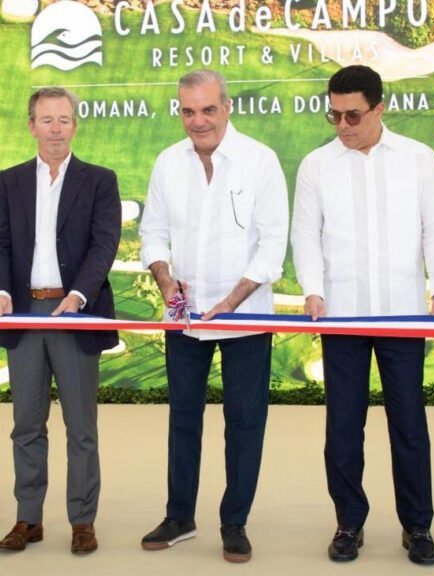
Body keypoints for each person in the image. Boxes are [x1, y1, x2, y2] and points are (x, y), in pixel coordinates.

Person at [290, 64, 434, 565]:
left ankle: (418, 527)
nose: (342, 125)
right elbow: (306, 234)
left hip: (403, 315)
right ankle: (348, 523)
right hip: (341, 316)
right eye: (334, 115)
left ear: (380, 108)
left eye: (353, 115)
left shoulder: (418, 159)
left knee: (409, 425)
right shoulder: (316, 166)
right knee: (343, 428)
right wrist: (313, 290)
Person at [138, 69, 288, 563]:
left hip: (245, 318)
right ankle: (179, 516)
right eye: (188, 111)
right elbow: (153, 234)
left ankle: (234, 522)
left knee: (244, 422)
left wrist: (233, 300)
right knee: (183, 418)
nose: (197, 121)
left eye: (207, 109)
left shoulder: (260, 161)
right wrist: (165, 281)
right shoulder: (168, 162)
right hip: (185, 318)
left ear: (227, 107)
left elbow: (273, 246)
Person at [0, 87, 121, 554]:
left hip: (75, 314)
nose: (56, 129)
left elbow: (104, 244)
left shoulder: (99, 181)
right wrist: (1, 292)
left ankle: (82, 520)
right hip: (24, 314)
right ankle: (28, 519)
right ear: (31, 126)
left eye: (64, 119)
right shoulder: (10, 181)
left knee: (81, 426)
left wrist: (80, 295)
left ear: (75, 126)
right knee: (26, 424)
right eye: (47, 120)